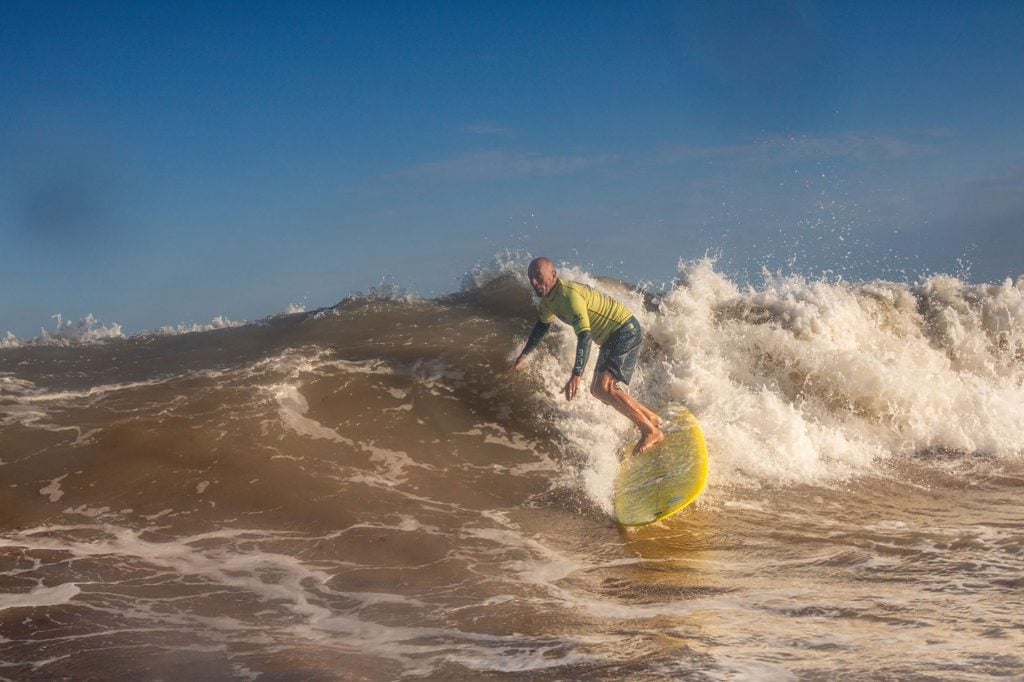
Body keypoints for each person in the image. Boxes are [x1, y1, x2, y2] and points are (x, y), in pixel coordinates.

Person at [507, 257, 664, 454]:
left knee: (603, 388)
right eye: (531, 279)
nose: (534, 283)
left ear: (553, 275)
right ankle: (651, 419)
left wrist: (577, 374)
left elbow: (585, 336)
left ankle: (650, 431)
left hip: (623, 330)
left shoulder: (569, 296)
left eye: (539, 277)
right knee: (599, 390)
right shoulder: (548, 302)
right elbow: (542, 326)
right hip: (610, 337)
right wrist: (524, 355)